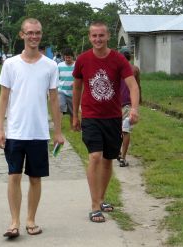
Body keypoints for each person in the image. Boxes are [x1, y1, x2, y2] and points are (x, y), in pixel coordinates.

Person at [0, 18, 64, 239]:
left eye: (38, 33)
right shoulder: (11, 64)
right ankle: (13, 222)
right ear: (21, 35)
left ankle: (31, 220)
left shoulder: (50, 66)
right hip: (15, 131)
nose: (34, 37)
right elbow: (3, 97)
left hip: (38, 132)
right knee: (13, 175)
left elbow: (54, 100)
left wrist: (58, 132)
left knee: (35, 178)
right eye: (30, 33)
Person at [72, 21, 140, 223]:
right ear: (89, 37)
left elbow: (132, 85)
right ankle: (94, 206)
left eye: (101, 35)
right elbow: (77, 88)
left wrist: (134, 108)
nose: (98, 39)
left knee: (108, 159)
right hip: (91, 116)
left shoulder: (118, 60)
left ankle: (101, 199)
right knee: (95, 157)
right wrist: (75, 115)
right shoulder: (83, 60)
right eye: (94, 36)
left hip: (112, 117)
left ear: (108, 36)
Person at [117, 50, 142, 167]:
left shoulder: (115, 68)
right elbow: (137, 86)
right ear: (130, 58)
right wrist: (137, 104)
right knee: (126, 131)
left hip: (115, 104)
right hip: (128, 104)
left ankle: (117, 152)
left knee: (116, 130)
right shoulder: (135, 69)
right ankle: (123, 158)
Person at [57, 48, 75, 127]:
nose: (67, 59)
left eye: (69, 57)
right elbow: (56, 78)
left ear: (72, 57)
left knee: (73, 111)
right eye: (66, 57)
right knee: (60, 107)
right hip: (61, 91)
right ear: (64, 57)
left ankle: (73, 126)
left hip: (72, 92)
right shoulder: (59, 65)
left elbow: (81, 77)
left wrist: (75, 83)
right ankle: (59, 126)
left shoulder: (76, 65)